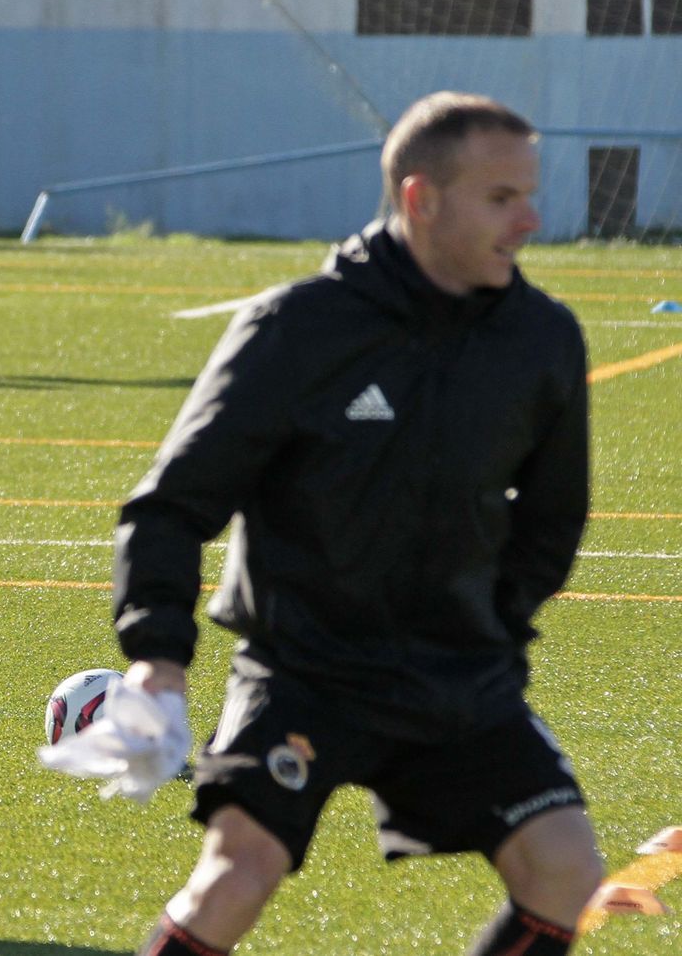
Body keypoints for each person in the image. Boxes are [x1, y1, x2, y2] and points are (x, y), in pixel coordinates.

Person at [112, 92, 603, 955]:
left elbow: (553, 519)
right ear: (422, 199)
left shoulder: (543, 339)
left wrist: (493, 626)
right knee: (236, 874)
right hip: (305, 670)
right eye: (501, 198)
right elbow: (173, 501)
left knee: (565, 869)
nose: (530, 220)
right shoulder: (299, 327)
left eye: (529, 194)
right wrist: (158, 655)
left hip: (458, 676)